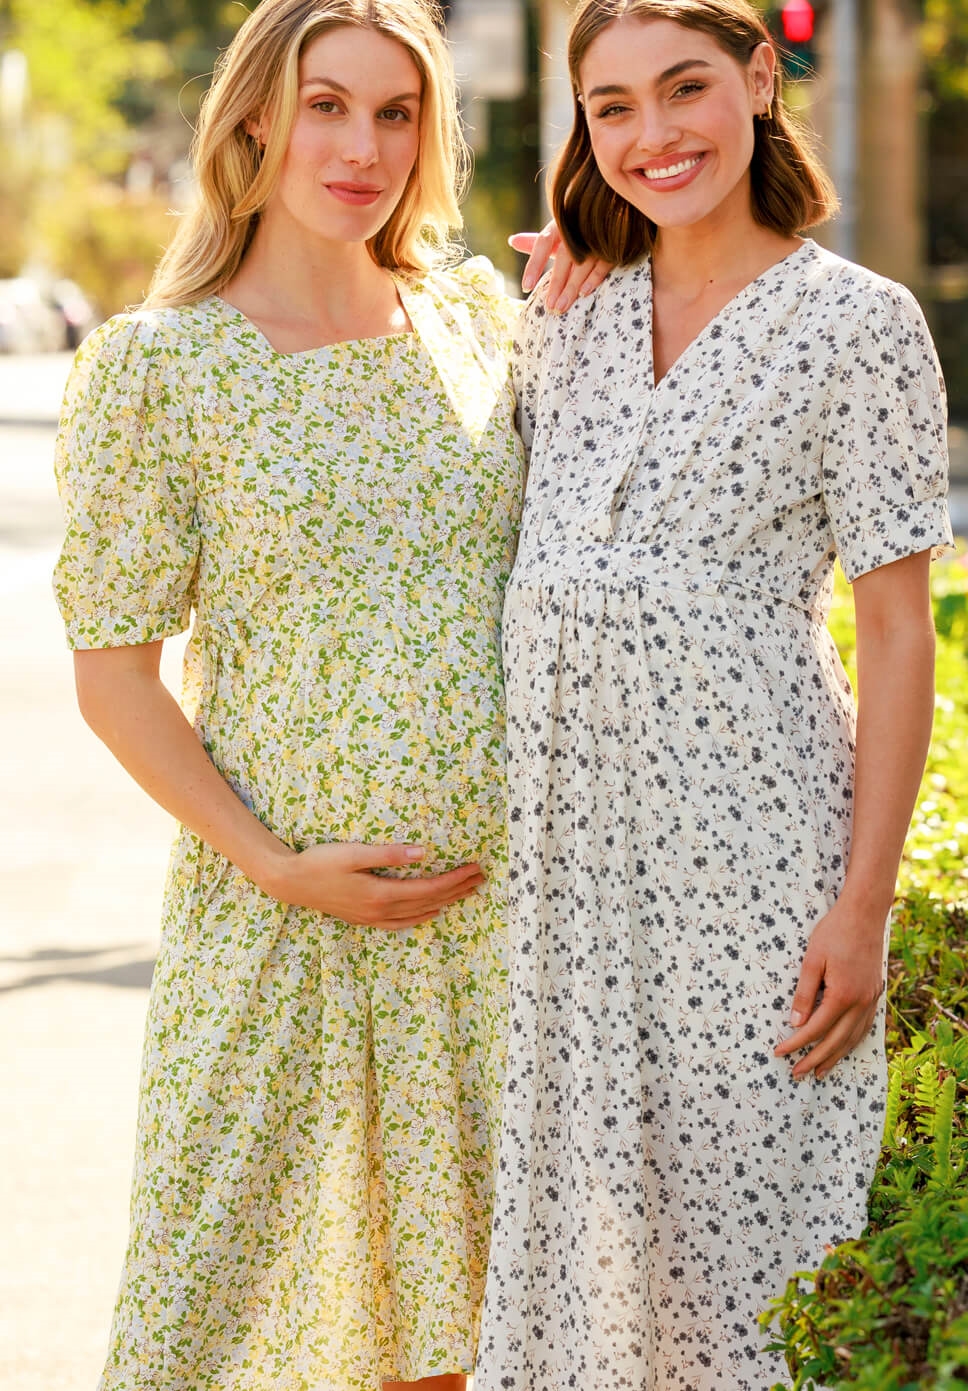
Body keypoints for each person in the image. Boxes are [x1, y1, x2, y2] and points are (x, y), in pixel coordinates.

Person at [52, 1, 599, 1387]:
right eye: (328, 105)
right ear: (255, 121)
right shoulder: (162, 367)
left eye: (397, 112)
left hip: (496, 936)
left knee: (471, 1344)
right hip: (286, 933)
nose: (363, 146)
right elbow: (115, 675)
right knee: (241, 1335)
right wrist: (278, 866)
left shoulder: (482, 320)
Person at [474, 2, 954, 1388]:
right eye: (610, 108)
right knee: (587, 1266)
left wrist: (862, 907)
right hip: (566, 882)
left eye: (684, 89)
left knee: (750, 1270)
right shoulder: (564, 316)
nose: (652, 134)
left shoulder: (862, 326)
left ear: (759, 76)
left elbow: (898, 631)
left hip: (754, 868)